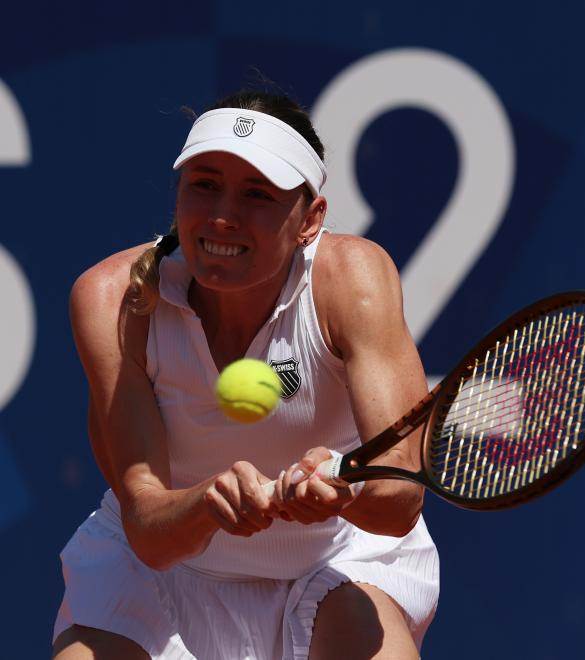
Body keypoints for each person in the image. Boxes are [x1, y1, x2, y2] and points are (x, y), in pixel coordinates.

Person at [52, 91, 440, 660]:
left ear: (311, 219)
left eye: (257, 194)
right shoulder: (113, 299)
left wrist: (343, 488)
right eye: (204, 185)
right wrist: (208, 502)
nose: (221, 216)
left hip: (337, 563)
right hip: (158, 574)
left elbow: (399, 500)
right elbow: (149, 531)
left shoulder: (351, 278)